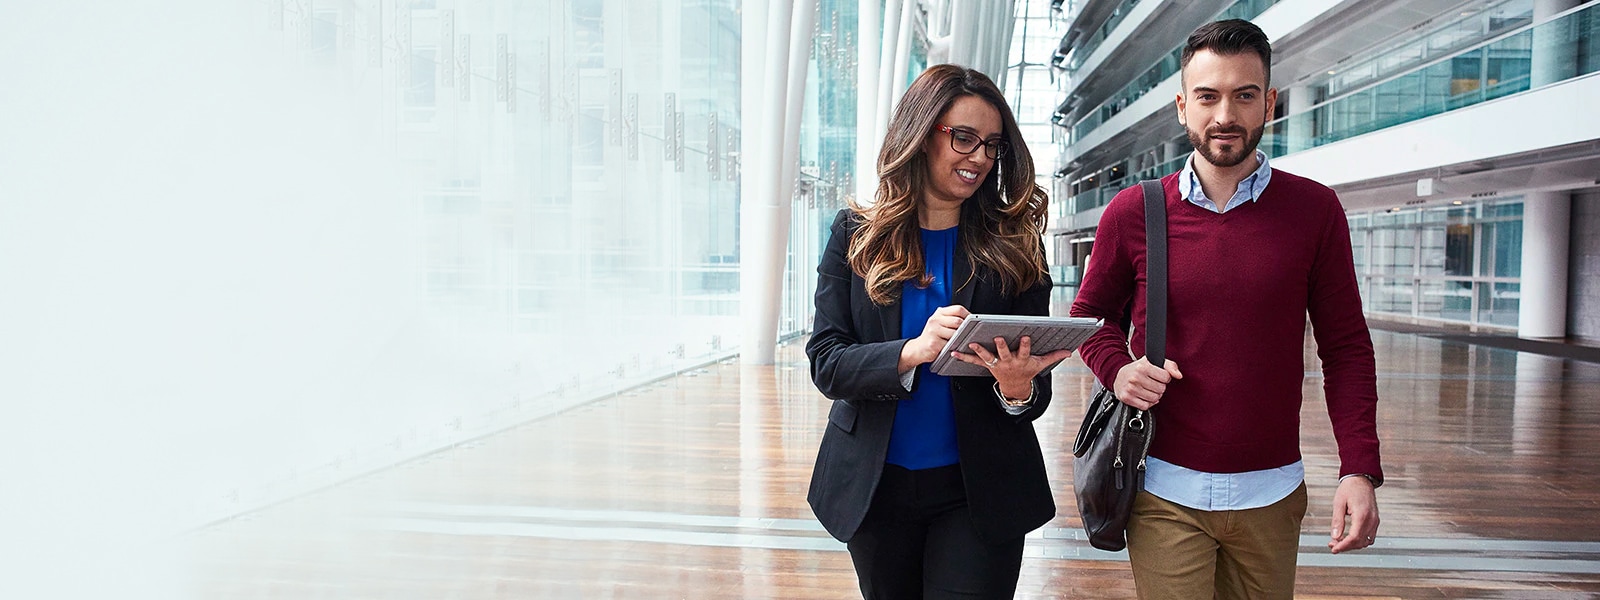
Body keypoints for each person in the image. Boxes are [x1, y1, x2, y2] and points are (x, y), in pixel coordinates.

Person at [1069, 19, 1383, 600]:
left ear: (1269, 102)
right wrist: (1119, 369)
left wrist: (1358, 467)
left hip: (1273, 495)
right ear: (1183, 105)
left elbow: (1346, 348)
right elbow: (1088, 320)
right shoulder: (1134, 212)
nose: (1225, 116)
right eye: (1208, 97)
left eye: (1244, 96)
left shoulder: (1315, 210)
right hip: (1162, 490)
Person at [806, 64, 1066, 599]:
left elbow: (1035, 394)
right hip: (876, 490)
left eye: (991, 145)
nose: (979, 158)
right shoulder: (855, 234)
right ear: (922, 137)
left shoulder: (1016, 245)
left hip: (979, 491)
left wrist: (1018, 388)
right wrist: (912, 351)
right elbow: (827, 361)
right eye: (963, 138)